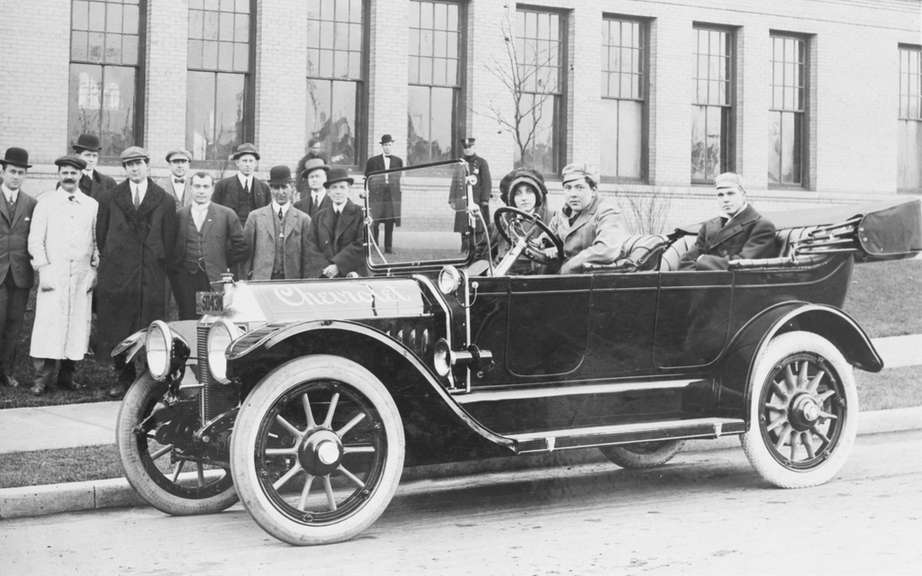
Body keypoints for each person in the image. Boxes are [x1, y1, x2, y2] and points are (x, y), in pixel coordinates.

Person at [95, 146, 177, 398]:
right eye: (129, 164)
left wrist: (156, 260)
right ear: (124, 168)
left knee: (149, 325)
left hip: (150, 274)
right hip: (119, 275)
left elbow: (170, 239)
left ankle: (149, 379)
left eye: (138, 163)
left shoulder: (163, 199)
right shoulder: (111, 197)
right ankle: (123, 377)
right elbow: (101, 234)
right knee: (120, 326)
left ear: (147, 165)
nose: (134, 168)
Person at [27, 155, 98, 395]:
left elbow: (96, 242)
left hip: (79, 276)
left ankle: (68, 375)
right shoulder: (45, 203)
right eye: (65, 172)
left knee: (76, 326)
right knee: (49, 326)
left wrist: (93, 271)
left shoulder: (91, 205)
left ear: (80, 175)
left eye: (73, 173)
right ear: (59, 174)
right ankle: (42, 378)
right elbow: (35, 240)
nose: (69, 177)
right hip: (53, 275)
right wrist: (43, 268)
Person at [171, 172, 248, 319]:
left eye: (205, 186)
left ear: (212, 189)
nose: (201, 191)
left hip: (212, 279)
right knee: (187, 318)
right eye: (197, 186)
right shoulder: (180, 215)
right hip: (186, 279)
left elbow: (241, 246)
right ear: (190, 188)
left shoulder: (225, 214)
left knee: (210, 319)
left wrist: (222, 261)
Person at [679, 172, 777, 270]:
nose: (725, 199)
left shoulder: (761, 226)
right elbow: (686, 260)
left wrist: (702, 260)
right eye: (720, 195)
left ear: (743, 194)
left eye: (730, 193)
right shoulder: (708, 226)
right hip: (703, 282)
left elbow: (743, 264)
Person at [544, 163, 628, 274]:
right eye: (568, 188)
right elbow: (545, 238)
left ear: (593, 190)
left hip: (592, 280)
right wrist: (547, 247)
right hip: (567, 278)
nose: (573, 194)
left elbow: (606, 250)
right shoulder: (563, 214)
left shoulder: (607, 212)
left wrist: (571, 264)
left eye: (579, 188)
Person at [0, 147, 37, 389]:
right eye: (12, 171)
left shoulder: (31, 203)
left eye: (20, 172)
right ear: (2, 172)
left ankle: (6, 372)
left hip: (20, 275)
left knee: (14, 325)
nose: (16, 176)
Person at [242, 165, 312, 280]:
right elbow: (246, 254)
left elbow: (308, 258)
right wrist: (245, 281)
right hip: (262, 281)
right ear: (270, 189)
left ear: (292, 187)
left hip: (292, 282)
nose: (280, 192)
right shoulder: (255, 217)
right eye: (276, 187)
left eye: (284, 187)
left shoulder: (303, 219)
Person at [306, 168, 366, 278]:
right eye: (334, 188)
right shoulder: (318, 217)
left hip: (351, 273)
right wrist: (326, 268)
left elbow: (362, 244)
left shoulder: (361, 214)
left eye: (342, 187)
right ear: (328, 192)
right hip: (325, 274)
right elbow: (311, 247)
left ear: (349, 190)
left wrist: (338, 266)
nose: (338, 191)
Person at [494, 168, 550, 275]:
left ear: (537, 196)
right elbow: (483, 254)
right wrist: (490, 268)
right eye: (518, 194)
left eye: (529, 192)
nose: (524, 198)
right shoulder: (502, 222)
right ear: (512, 198)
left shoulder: (552, 220)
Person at [212, 142, 270, 225]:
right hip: (230, 234)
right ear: (237, 163)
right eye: (244, 161)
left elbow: (267, 217)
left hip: (255, 234)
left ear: (255, 164)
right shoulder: (222, 186)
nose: (248, 164)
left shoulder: (264, 188)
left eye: (251, 161)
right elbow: (214, 213)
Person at [450, 137, 491, 251]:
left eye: (470, 147)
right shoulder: (460, 163)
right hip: (462, 199)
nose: (468, 150)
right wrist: (452, 199)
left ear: (474, 147)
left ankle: (477, 248)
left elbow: (487, 182)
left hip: (477, 200)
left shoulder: (481, 162)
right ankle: (465, 248)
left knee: (477, 226)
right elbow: (454, 182)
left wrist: (484, 200)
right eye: (465, 148)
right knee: (463, 225)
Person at [364, 134, 403, 254]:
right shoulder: (373, 161)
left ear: (392, 146)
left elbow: (398, 178)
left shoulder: (398, 161)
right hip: (377, 194)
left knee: (389, 221)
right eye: (385, 145)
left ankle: (388, 247)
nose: (387, 147)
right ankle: (374, 245)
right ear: (382, 146)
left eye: (389, 145)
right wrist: (367, 192)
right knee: (375, 221)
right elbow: (367, 178)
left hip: (391, 194)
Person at [72, 134, 117, 201]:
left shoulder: (108, 183)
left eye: (94, 156)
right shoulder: (69, 180)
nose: (91, 159)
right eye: (87, 155)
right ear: (78, 156)